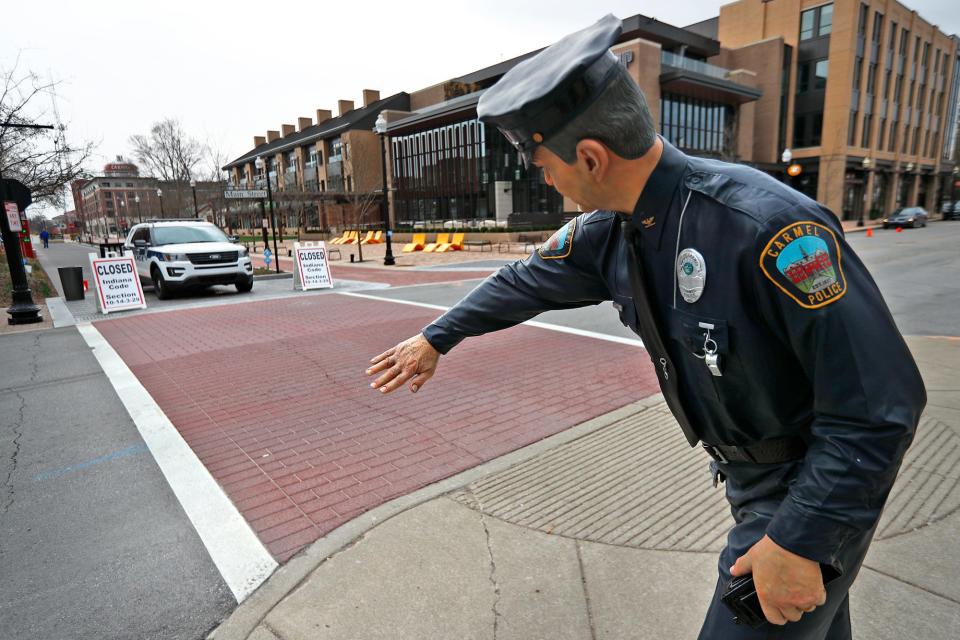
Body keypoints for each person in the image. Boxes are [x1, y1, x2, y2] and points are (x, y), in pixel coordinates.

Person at [366, 15, 925, 639]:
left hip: (807, 488)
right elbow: (524, 280)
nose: (545, 181)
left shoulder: (765, 228)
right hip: (749, 479)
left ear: (590, 156)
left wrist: (800, 539)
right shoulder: (612, 231)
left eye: (544, 166)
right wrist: (436, 337)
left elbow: (880, 404)